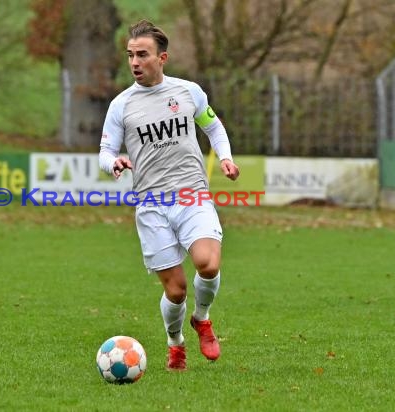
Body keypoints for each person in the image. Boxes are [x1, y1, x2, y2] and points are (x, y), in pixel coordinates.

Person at [98, 19, 240, 371]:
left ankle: (202, 319)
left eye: (142, 54)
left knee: (208, 263)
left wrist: (225, 157)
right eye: (130, 55)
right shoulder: (121, 105)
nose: (134, 62)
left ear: (162, 57)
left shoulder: (189, 92)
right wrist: (113, 161)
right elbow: (104, 151)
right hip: (151, 205)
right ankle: (175, 342)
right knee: (175, 290)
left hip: (193, 196)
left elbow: (213, 126)